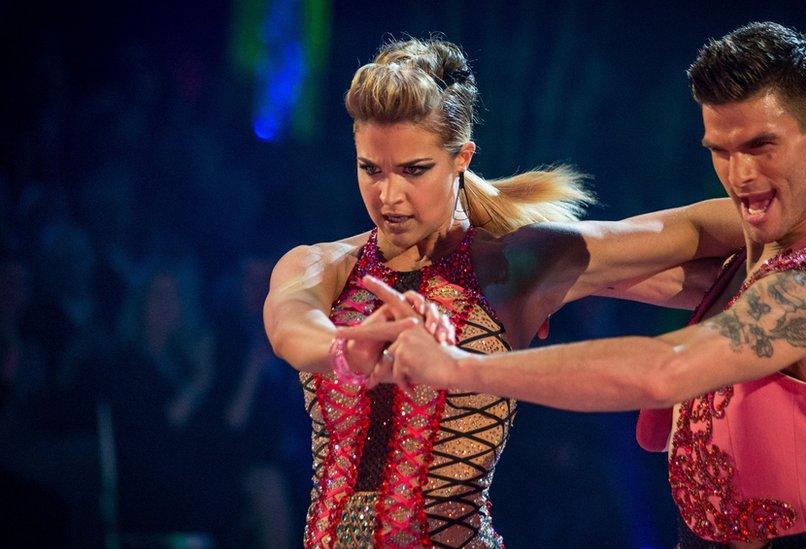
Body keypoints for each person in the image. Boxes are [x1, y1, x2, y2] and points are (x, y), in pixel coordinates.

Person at [344, 23, 806, 547]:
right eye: (721, 150)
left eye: (761, 146)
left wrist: (457, 367)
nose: (741, 176)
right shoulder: (750, 254)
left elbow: (664, 370)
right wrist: (472, 245)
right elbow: (618, 248)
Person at [263, 37, 743, 548]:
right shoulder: (322, 263)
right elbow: (291, 328)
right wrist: (343, 348)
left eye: (414, 170)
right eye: (371, 169)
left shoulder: (515, 265)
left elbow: (692, 229)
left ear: (461, 157)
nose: (388, 195)